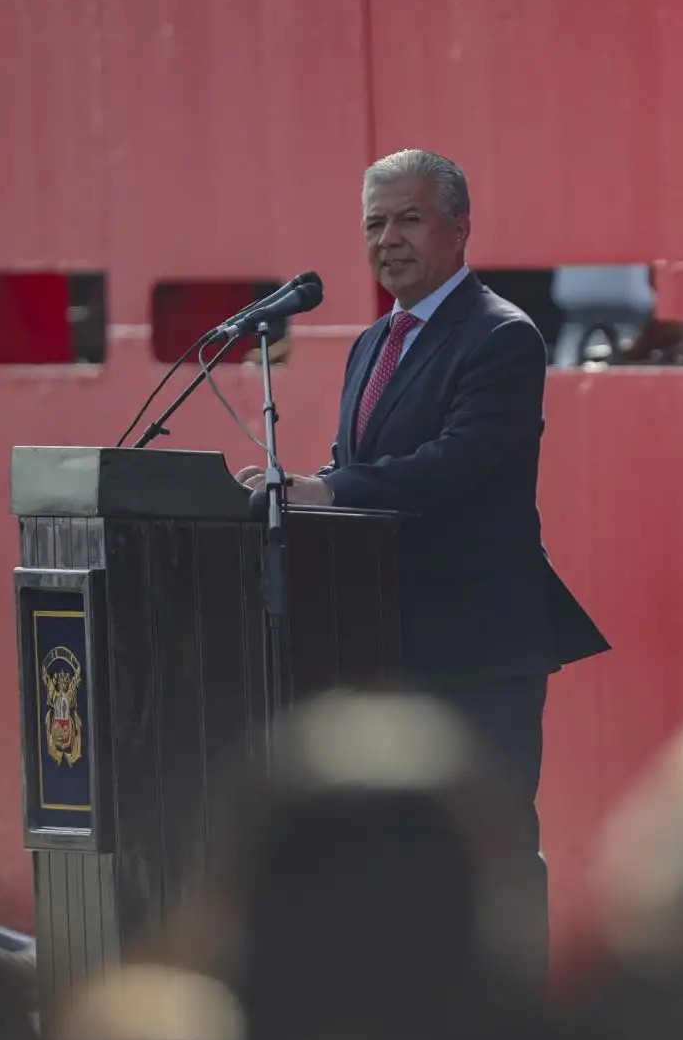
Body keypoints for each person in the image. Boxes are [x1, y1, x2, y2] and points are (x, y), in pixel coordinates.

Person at [239, 148, 610, 981]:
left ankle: (516, 1028)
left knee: (497, 846)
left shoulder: (502, 335)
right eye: (375, 223)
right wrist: (297, 492)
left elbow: (458, 463)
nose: (389, 239)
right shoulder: (373, 343)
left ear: (460, 228)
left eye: (408, 218)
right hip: (386, 640)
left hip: (480, 644)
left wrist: (323, 488)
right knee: (404, 859)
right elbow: (356, 468)